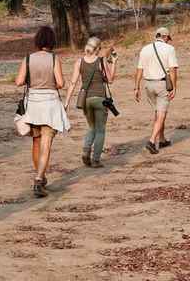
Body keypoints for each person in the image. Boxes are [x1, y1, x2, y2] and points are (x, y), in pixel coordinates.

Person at [15, 26, 70, 198]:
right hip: (50, 105)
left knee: (36, 142)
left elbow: (19, 81)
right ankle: (39, 178)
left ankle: (41, 175)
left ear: (37, 40)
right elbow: (60, 83)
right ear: (52, 41)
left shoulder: (28, 59)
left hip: (33, 105)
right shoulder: (54, 59)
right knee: (46, 142)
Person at [64, 37, 117, 168]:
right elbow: (110, 80)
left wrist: (66, 102)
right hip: (100, 99)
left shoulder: (79, 62)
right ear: (98, 49)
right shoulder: (101, 61)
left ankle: (86, 151)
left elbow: (72, 83)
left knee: (92, 127)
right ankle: (96, 160)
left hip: (86, 100)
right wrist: (114, 62)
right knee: (100, 130)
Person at [134, 27, 178, 154]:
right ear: (165, 37)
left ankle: (162, 139)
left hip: (148, 84)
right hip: (162, 84)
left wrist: (136, 87)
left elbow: (139, 70)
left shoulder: (145, 49)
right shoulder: (170, 49)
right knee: (162, 113)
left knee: (158, 112)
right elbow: (173, 70)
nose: (169, 41)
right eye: (168, 38)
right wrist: (174, 87)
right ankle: (152, 141)